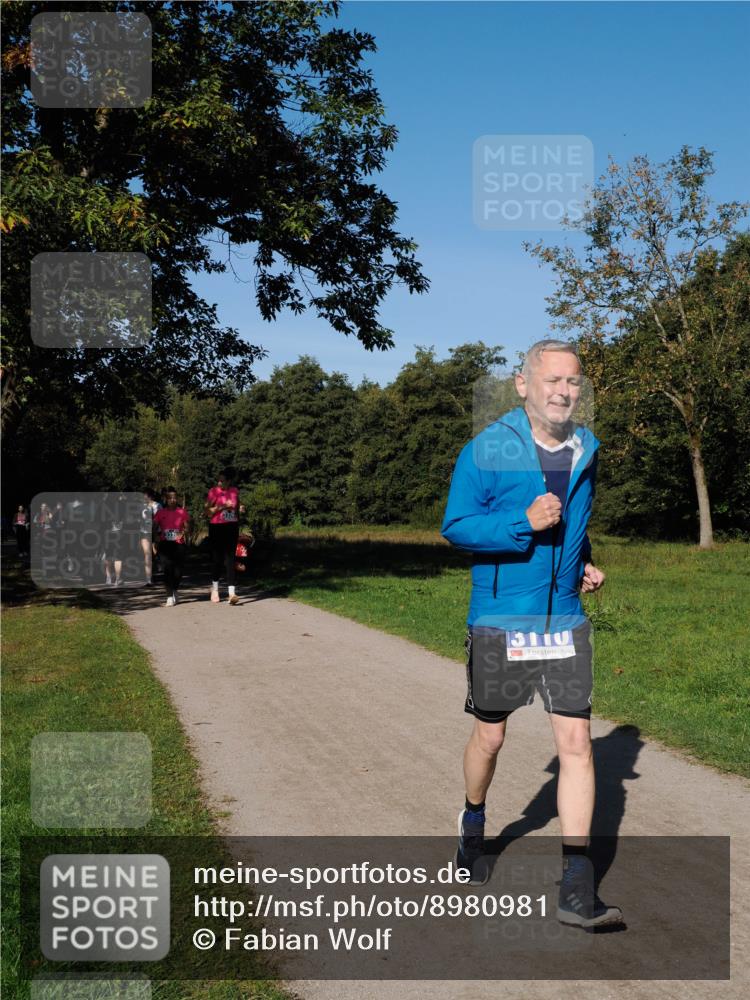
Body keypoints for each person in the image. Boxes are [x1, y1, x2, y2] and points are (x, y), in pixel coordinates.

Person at [441, 339, 622, 930]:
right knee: (490, 739)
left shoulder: (585, 448)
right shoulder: (486, 448)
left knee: (577, 745)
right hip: (502, 619)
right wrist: (521, 523)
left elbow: (575, 521)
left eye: (573, 382)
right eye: (552, 380)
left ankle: (576, 886)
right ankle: (473, 821)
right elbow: (457, 526)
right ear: (523, 385)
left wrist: (581, 560)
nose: (564, 391)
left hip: (564, 619)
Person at [204, 469, 243, 605]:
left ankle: (231, 593)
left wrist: (240, 510)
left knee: (230, 559)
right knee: (217, 559)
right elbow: (207, 511)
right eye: (218, 480)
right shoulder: (213, 492)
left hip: (231, 526)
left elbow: (237, 506)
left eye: (222, 480)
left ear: (229, 481)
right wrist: (221, 507)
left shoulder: (234, 491)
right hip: (217, 527)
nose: (219, 483)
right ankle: (215, 589)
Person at [153, 487, 190, 606]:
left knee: (178, 571)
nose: (172, 500)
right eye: (170, 498)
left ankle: (174, 590)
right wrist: (156, 537)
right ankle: (169, 597)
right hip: (165, 544)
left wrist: (183, 532)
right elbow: (154, 526)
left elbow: (187, 527)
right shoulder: (160, 512)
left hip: (178, 544)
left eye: (174, 498)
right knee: (167, 569)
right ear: (166, 499)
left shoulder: (182, 512)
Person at [140, 489, 161, 585]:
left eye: (146, 496)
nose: (144, 498)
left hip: (156, 532)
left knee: (155, 552)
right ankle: (148, 578)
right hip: (145, 532)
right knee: (147, 554)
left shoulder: (157, 506)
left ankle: (155, 569)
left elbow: (161, 518)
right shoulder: (141, 506)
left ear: (151, 496)